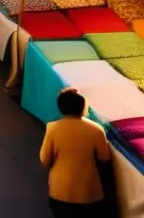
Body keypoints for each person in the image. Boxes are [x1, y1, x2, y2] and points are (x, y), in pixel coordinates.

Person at [40, 88, 111, 218]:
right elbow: (105, 158)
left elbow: (44, 159)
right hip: (89, 193)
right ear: (83, 105)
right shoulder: (96, 130)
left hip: (60, 191)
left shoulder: (53, 128)